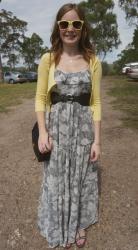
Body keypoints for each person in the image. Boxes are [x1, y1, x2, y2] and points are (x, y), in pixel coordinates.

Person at [35, 2, 102, 249]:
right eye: (65, 24)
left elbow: (96, 102)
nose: (70, 28)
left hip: (84, 129)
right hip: (57, 128)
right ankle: (60, 224)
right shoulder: (48, 59)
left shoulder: (93, 60)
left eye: (76, 23)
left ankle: (79, 223)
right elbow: (41, 97)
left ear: (83, 28)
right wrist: (42, 131)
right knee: (57, 177)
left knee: (83, 177)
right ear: (58, 27)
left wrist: (97, 140)